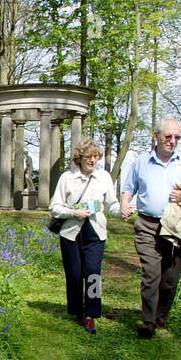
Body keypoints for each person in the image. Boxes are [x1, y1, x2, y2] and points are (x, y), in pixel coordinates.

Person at [119, 118, 181, 338]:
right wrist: (125, 204)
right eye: (168, 136)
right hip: (148, 225)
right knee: (152, 273)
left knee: (169, 279)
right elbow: (128, 189)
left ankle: (161, 318)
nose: (172, 141)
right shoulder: (141, 162)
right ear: (156, 136)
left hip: (176, 229)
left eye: (177, 137)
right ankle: (148, 321)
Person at [49, 138, 118, 335]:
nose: (93, 160)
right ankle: (77, 311)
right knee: (74, 274)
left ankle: (91, 314)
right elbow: (55, 207)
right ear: (80, 157)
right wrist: (74, 213)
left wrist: (122, 210)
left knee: (93, 272)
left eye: (96, 157)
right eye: (89, 156)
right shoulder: (67, 178)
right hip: (71, 232)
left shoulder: (104, 177)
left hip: (96, 231)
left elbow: (111, 204)